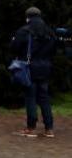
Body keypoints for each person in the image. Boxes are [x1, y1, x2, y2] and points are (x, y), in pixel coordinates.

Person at [10, 7, 58, 138]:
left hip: (29, 68)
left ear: (28, 17)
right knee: (44, 98)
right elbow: (55, 49)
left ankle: (31, 127)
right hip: (45, 68)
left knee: (30, 97)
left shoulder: (24, 30)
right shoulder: (49, 31)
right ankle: (49, 128)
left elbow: (14, 48)